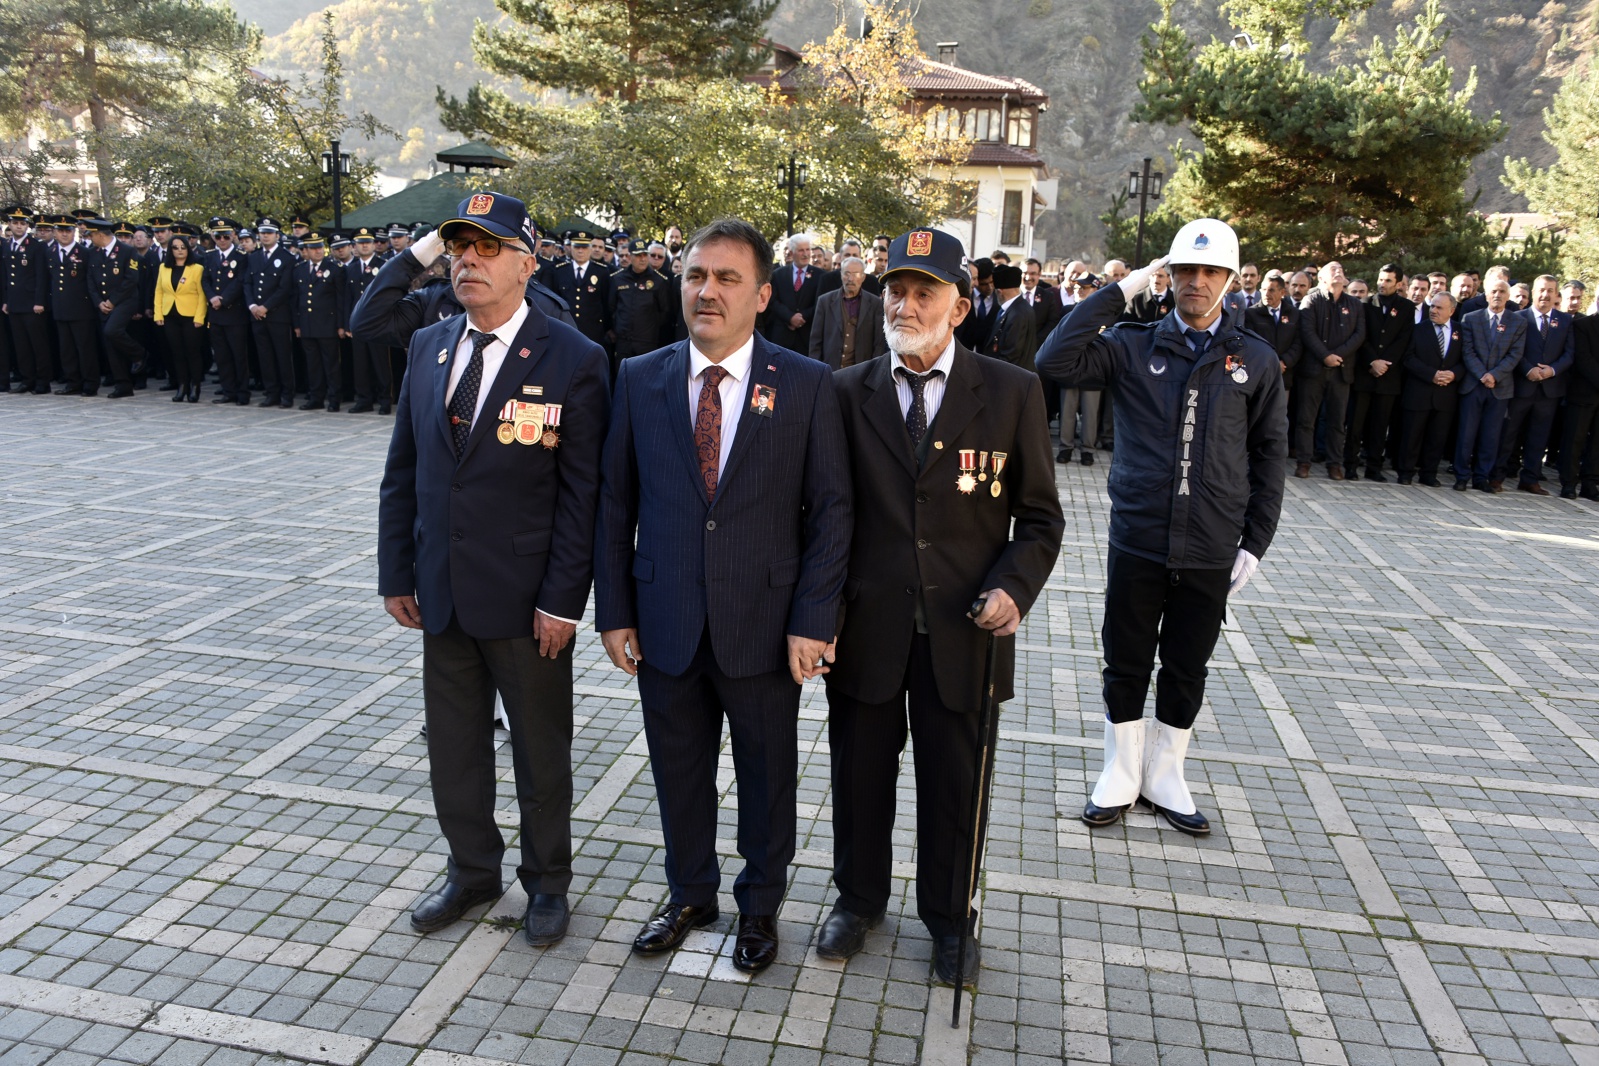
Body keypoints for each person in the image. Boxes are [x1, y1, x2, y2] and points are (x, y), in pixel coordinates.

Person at [594, 218, 851, 974]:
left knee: (766, 776)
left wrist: (813, 617)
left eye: (726, 279)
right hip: (663, 616)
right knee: (678, 770)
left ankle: (760, 907)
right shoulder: (639, 377)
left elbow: (833, 510)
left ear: (762, 294)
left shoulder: (804, 384)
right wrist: (613, 609)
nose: (706, 291)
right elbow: (615, 503)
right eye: (695, 276)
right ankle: (689, 894)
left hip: (766, 626)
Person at [818, 227, 1063, 986]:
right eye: (896, 288)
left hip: (966, 630)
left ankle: (951, 918)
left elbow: (1041, 518)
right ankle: (857, 900)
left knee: (955, 785)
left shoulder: (1011, 391)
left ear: (959, 307)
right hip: (868, 628)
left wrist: (1013, 588)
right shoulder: (845, 390)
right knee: (859, 777)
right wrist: (815, 615)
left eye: (925, 291)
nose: (905, 302)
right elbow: (826, 516)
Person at [378, 191, 609, 945]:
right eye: (457, 249)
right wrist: (396, 572)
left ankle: (546, 884)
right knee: (455, 750)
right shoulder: (430, 345)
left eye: (485, 249)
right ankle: (471, 872)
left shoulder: (573, 357)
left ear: (524, 262)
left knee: (541, 755)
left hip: (525, 601)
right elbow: (403, 470)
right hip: (441, 591)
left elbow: (583, 497)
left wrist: (563, 601)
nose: (466, 261)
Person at [1037, 219, 1287, 836]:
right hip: (1140, 536)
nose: (1195, 283)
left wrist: (1255, 540)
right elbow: (1054, 358)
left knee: (1186, 665)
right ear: (1168, 276)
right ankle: (1121, 770)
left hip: (1210, 542)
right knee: (1125, 659)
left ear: (1230, 280)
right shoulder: (1132, 343)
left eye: (1209, 272)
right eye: (1184, 271)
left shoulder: (1253, 359)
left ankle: (1167, 774)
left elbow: (1270, 454)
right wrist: (1123, 289)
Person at [1492, 275, 1574, 494]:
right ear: (1534, 292)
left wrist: (1551, 370)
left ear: (1556, 294)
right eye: (1541, 290)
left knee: (1539, 437)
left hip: (1549, 389)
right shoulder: (1518, 317)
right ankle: (1497, 476)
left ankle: (1530, 478)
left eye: (1550, 290)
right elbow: (1511, 350)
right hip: (1521, 386)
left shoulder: (1565, 321)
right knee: (1508, 434)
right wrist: (1528, 369)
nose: (1545, 295)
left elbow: (1569, 353)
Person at [1293, 261, 1365, 479]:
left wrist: (1338, 355)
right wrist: (1325, 355)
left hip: (1341, 371)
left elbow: (1359, 335)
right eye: (1333, 270)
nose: (1338, 273)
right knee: (1306, 419)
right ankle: (1304, 461)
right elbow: (1307, 332)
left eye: (1341, 270)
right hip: (1314, 369)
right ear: (1322, 278)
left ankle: (1334, 464)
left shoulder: (1354, 304)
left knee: (1337, 421)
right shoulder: (1311, 300)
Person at [1455, 277, 1527, 492]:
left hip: (1500, 387)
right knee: (1466, 434)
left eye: (1502, 292)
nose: (1497, 295)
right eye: (1493, 291)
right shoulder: (1470, 318)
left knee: (1491, 436)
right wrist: (1482, 374)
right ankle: (1461, 476)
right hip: (1473, 385)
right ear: (1485, 294)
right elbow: (1467, 351)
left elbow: (1516, 354)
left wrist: (1494, 375)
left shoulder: (1518, 322)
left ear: (1508, 296)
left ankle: (1482, 477)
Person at [1344, 264, 1410, 481]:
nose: (1383, 284)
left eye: (1389, 280)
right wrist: (1372, 360)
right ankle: (1351, 466)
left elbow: (1403, 340)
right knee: (1356, 423)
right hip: (1365, 372)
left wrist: (1384, 363)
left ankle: (1374, 467)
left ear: (1399, 283)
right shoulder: (1365, 304)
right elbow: (1361, 336)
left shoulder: (1407, 308)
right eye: (1381, 279)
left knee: (1380, 425)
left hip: (1388, 377)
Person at [1397, 294, 1462, 486]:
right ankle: (1406, 472)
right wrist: (1431, 374)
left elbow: (1465, 360)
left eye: (1439, 308)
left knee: (1437, 437)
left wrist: (1453, 374)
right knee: (1412, 435)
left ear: (1451, 310)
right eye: (1432, 306)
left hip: (1445, 394)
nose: (1434, 311)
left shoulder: (1461, 331)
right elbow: (1408, 358)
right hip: (1419, 391)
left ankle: (1429, 473)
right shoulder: (1418, 330)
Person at [85, 218, 143, 397]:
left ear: (100, 235)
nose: (90, 238)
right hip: (103, 304)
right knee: (110, 344)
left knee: (112, 331)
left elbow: (131, 279)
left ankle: (139, 353)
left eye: (91, 235)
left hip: (124, 301)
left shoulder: (127, 251)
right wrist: (99, 302)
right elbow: (90, 280)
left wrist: (113, 301)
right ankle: (123, 385)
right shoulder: (93, 252)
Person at [291, 233, 347, 411]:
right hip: (307, 324)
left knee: (331, 364)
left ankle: (334, 399)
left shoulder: (335, 268)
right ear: (305, 250)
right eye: (313, 248)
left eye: (320, 247)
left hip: (327, 324)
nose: (317, 251)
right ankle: (316, 397)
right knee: (313, 364)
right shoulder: (299, 269)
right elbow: (296, 299)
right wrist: (297, 324)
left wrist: (341, 325)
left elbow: (341, 299)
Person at [152, 234, 208, 402]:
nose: (179, 251)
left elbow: (201, 295)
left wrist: (200, 317)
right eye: (175, 248)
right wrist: (158, 313)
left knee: (192, 352)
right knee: (176, 352)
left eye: (183, 247)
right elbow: (159, 291)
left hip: (191, 317)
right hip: (170, 316)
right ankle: (181, 385)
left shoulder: (197, 268)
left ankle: (195, 386)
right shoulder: (164, 267)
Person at [341, 227, 391, 414]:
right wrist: (347, 324)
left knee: (380, 364)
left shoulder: (384, 264)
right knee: (360, 365)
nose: (364, 246)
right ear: (354, 246)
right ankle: (364, 400)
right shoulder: (351, 268)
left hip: (378, 323)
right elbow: (347, 298)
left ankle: (385, 400)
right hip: (358, 324)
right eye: (360, 243)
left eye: (368, 242)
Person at [202, 219, 251, 405]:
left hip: (234, 313)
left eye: (226, 236)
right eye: (218, 236)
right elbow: (205, 280)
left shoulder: (241, 257)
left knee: (239, 355)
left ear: (233, 236)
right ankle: (228, 391)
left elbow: (240, 281)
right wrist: (212, 297)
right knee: (222, 356)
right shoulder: (209, 256)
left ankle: (242, 392)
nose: (222, 240)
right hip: (215, 314)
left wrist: (223, 299)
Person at [2, 207, 51, 394]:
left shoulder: (36, 245)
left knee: (38, 344)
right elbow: (6, 276)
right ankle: (27, 379)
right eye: (15, 223)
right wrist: (6, 301)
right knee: (21, 345)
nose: (19, 227)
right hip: (14, 303)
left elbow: (41, 276)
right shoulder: (7, 245)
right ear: (10, 224)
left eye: (23, 223)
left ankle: (42, 381)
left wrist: (39, 301)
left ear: (28, 226)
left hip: (32, 303)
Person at [248, 219, 296, 408]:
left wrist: (265, 307)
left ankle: (286, 394)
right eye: (262, 232)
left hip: (277, 315)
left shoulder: (287, 257)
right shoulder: (253, 257)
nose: (265, 236)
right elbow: (247, 283)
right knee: (265, 356)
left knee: (282, 356)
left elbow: (284, 288)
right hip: (257, 316)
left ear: (277, 235)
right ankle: (271, 393)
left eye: (269, 232)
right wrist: (252, 305)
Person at [809, 255, 887, 369]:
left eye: (855, 274)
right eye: (847, 273)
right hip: (830, 369)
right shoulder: (824, 301)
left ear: (863, 277)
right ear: (841, 275)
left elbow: (878, 344)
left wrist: (873, 371)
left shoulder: (875, 304)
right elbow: (815, 341)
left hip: (861, 372)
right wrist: (815, 369)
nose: (850, 279)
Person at [607, 238, 673, 363]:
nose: (642, 259)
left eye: (644, 255)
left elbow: (665, 312)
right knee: (622, 377)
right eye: (638, 255)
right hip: (623, 342)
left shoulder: (659, 281)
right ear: (630, 256)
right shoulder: (618, 278)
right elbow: (611, 308)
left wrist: (649, 328)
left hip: (647, 342)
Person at [1561, 313, 1599, 499]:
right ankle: (1568, 483)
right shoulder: (1583, 325)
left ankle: (1590, 483)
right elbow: (1583, 359)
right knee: (1575, 439)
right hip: (1583, 392)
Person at [766, 232, 822, 354]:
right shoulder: (778, 274)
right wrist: (790, 317)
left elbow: (820, 303)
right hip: (782, 336)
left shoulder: (820, 275)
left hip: (807, 337)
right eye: (801, 250)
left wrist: (802, 317)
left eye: (808, 249)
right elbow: (772, 301)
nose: (806, 254)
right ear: (792, 252)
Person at [985, 263, 1037, 371]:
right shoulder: (1019, 307)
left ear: (999, 292)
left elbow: (1011, 354)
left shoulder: (1017, 314)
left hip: (1009, 377)